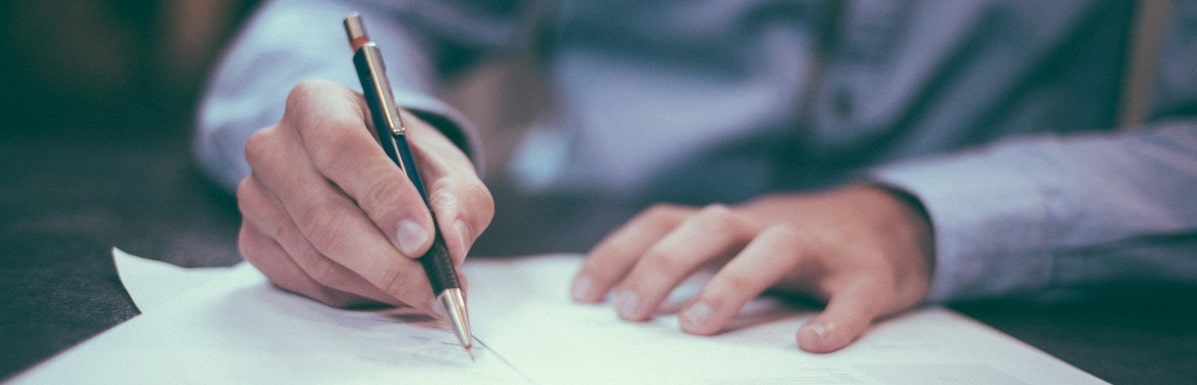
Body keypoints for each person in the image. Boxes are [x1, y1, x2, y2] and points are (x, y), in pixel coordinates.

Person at [195, 0, 1197, 353]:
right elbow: (334, 16)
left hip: (994, 293)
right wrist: (355, 135)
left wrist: (918, 220)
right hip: (575, 270)